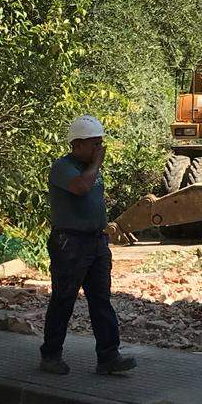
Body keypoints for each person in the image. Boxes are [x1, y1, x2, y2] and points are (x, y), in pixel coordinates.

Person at [38, 115, 137, 376]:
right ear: (77, 144)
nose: (99, 149)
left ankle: (108, 356)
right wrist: (96, 164)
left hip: (96, 242)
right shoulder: (64, 167)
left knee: (101, 300)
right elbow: (81, 188)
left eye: (100, 144)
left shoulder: (93, 168)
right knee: (64, 299)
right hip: (70, 243)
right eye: (94, 144)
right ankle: (50, 355)